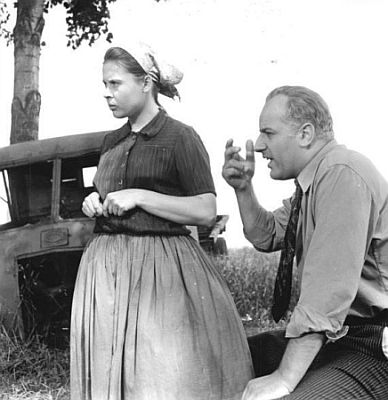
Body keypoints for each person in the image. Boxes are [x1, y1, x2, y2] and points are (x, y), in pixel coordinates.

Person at [70, 44, 253, 400]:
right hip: (106, 274)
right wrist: (92, 201)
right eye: (104, 84)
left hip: (160, 271)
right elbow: (106, 194)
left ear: (146, 83)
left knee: (162, 377)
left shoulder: (180, 137)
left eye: (115, 83)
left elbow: (204, 209)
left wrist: (141, 196)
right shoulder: (112, 141)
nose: (107, 94)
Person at [222, 85, 388, 400]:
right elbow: (268, 233)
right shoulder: (315, 181)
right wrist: (243, 188)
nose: (258, 146)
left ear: (305, 134)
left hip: (374, 345)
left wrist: (284, 379)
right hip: (340, 336)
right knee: (224, 357)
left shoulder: (342, 173)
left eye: (268, 133)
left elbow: (327, 293)